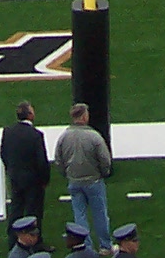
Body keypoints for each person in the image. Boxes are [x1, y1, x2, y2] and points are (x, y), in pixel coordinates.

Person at [53, 103, 113, 257]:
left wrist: (67, 174)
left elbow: (58, 160)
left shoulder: (64, 137)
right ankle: (105, 246)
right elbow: (105, 160)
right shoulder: (94, 136)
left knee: (79, 216)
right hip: (94, 181)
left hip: (74, 181)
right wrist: (103, 173)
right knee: (100, 214)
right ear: (85, 116)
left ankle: (86, 246)